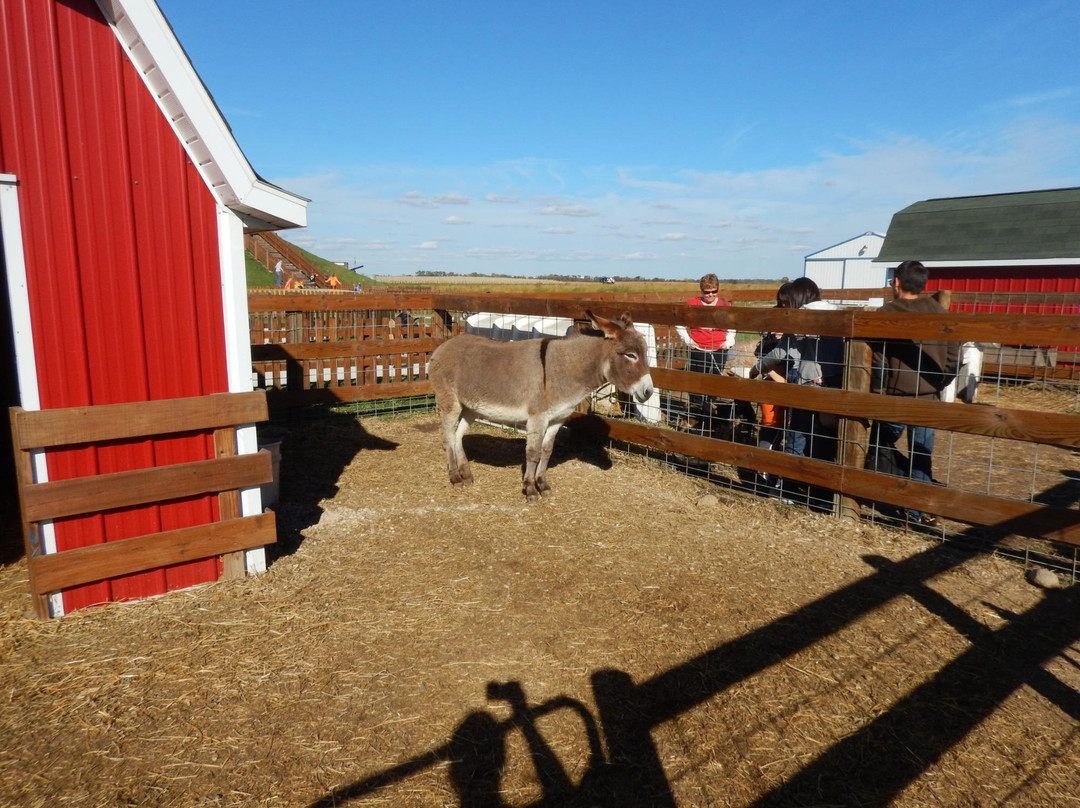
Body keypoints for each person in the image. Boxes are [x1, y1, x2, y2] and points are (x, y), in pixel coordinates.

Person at [869, 260, 960, 527]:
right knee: (921, 452)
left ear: (896, 282)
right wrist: (939, 382)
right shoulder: (940, 313)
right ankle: (919, 510)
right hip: (928, 396)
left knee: (876, 442)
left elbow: (879, 359)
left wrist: (877, 392)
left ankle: (890, 489)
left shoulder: (886, 313)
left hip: (895, 396)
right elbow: (955, 355)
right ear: (923, 285)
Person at [752, 277, 844, 506]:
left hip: (808, 383)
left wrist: (755, 369)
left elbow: (779, 353)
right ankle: (823, 496)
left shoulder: (801, 317)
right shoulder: (838, 313)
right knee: (825, 441)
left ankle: (786, 490)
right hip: (835, 384)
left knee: (797, 437)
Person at [675, 273, 736, 434]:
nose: (710, 295)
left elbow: (732, 325)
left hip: (718, 349)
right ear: (701, 291)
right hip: (699, 349)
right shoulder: (692, 304)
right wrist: (688, 341)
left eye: (713, 292)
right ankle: (696, 419)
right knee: (697, 384)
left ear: (718, 290)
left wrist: (728, 342)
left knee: (715, 383)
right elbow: (679, 323)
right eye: (706, 292)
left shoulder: (725, 304)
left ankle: (712, 418)